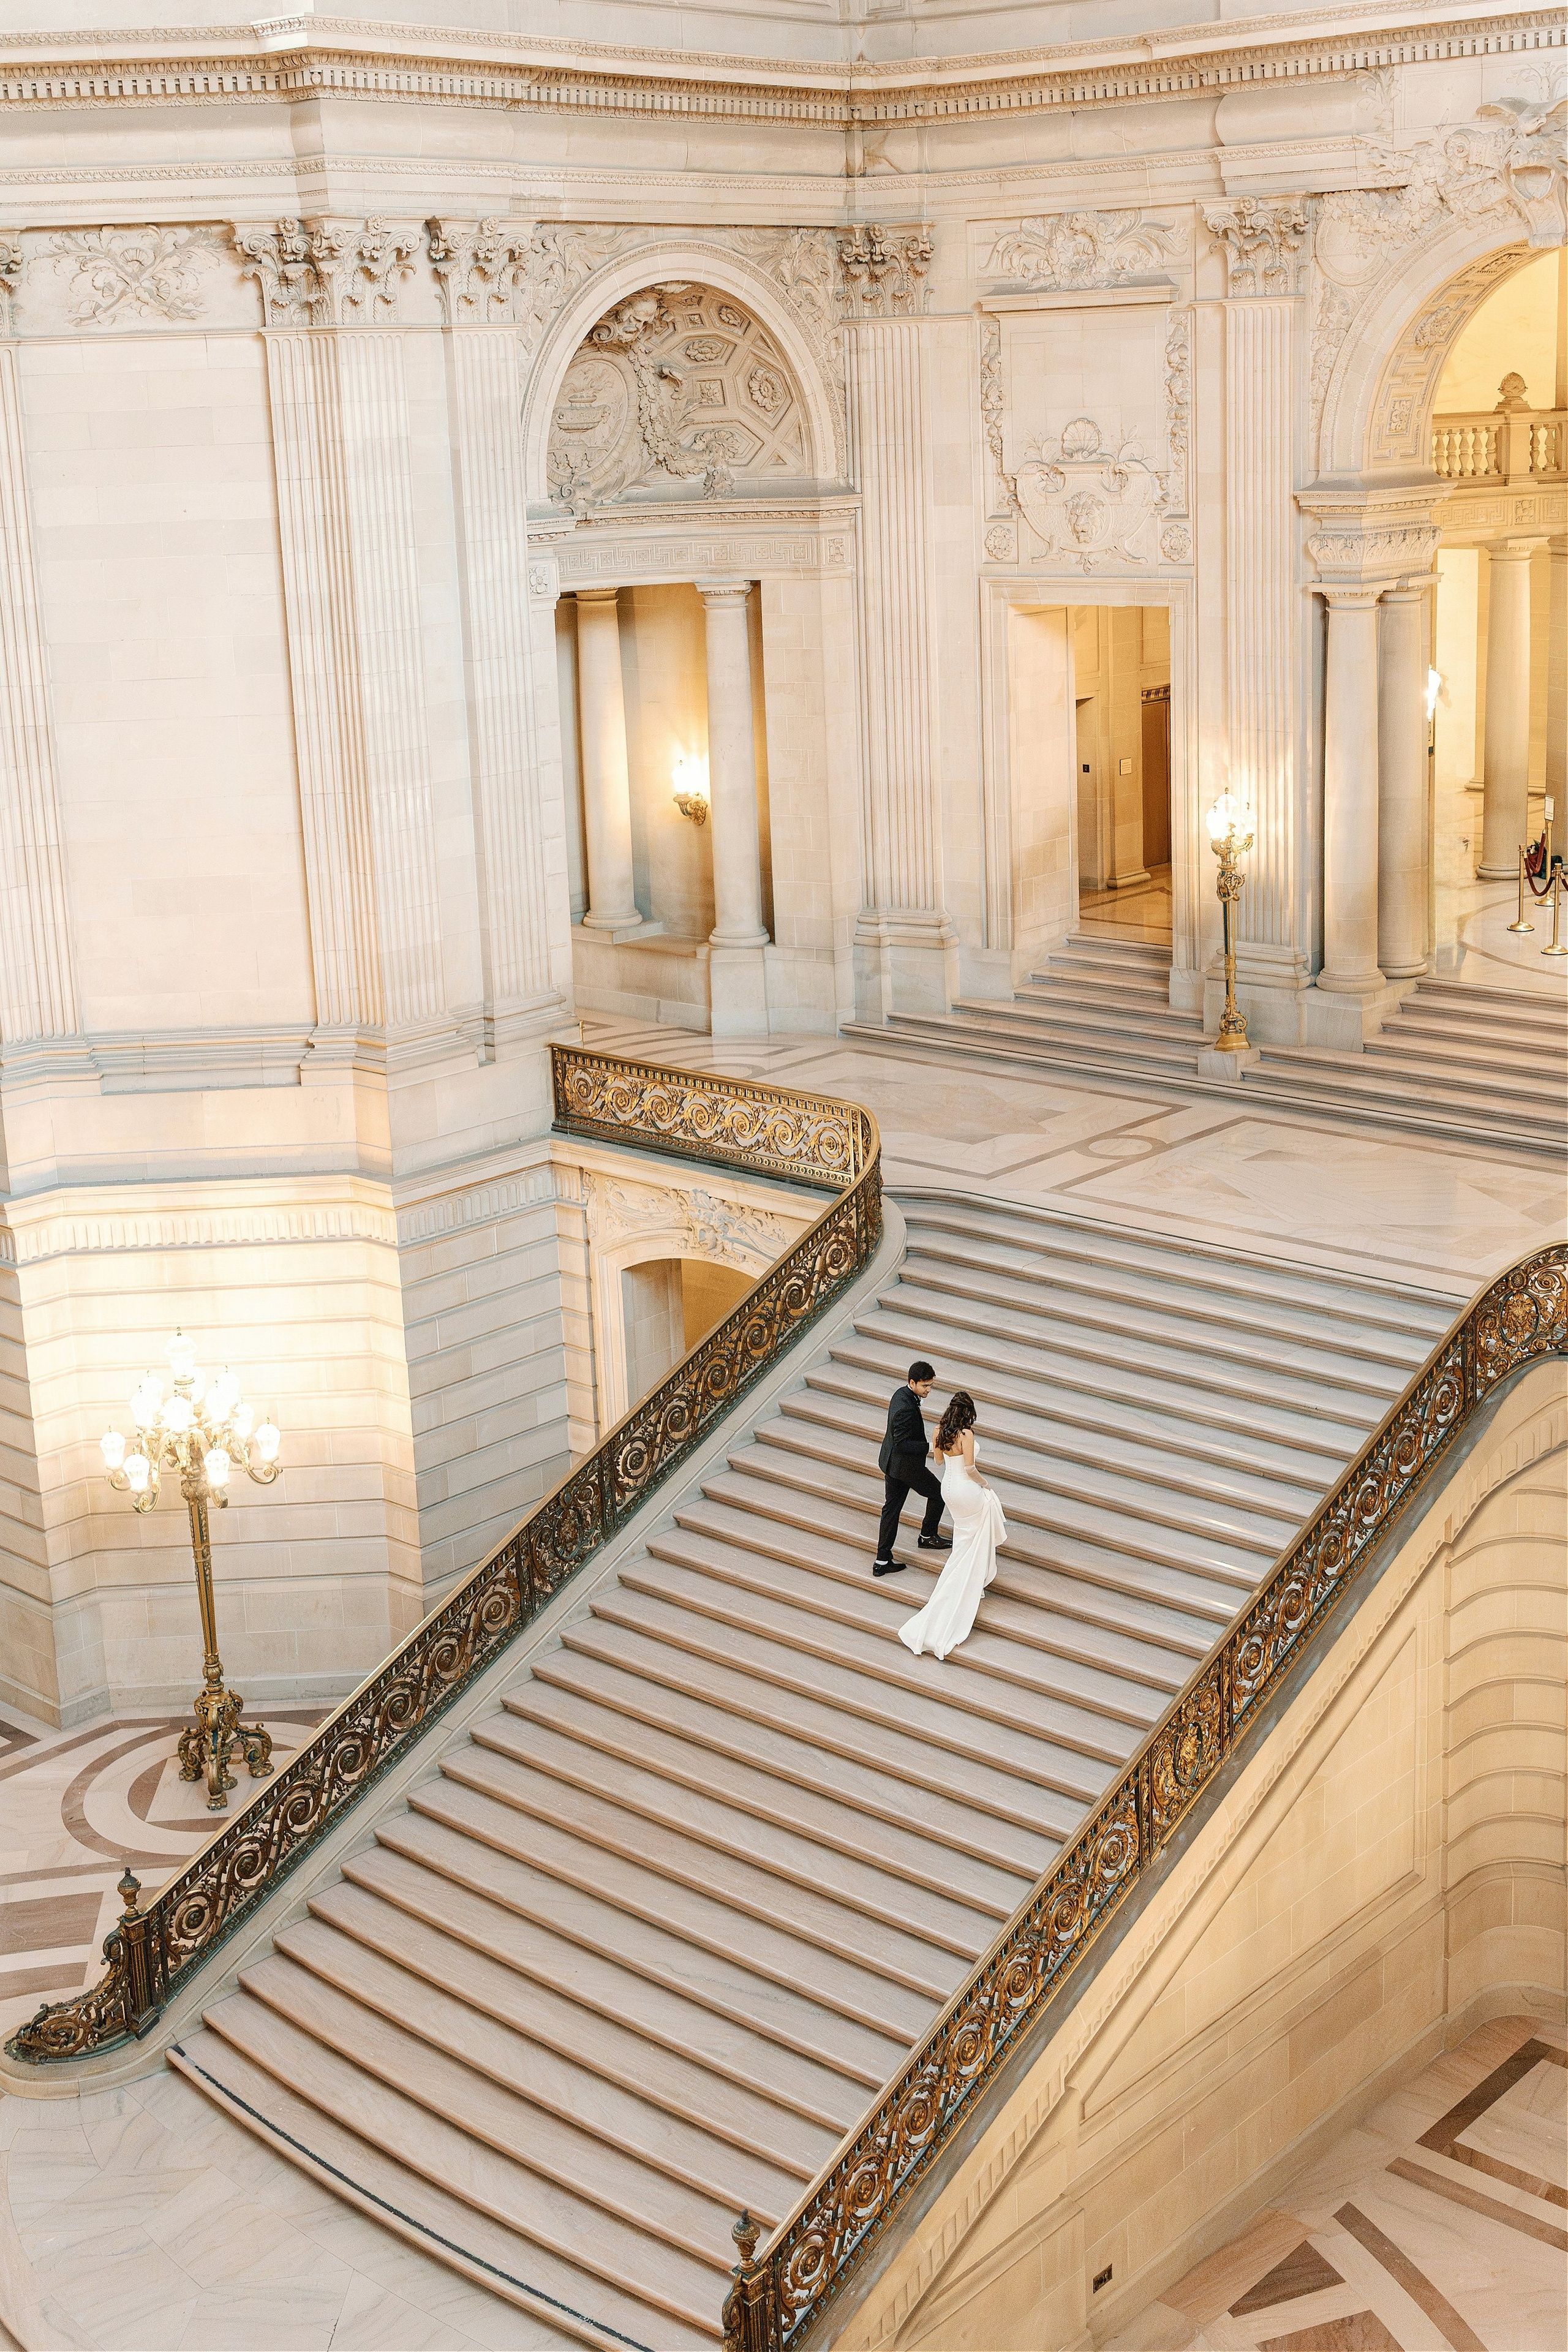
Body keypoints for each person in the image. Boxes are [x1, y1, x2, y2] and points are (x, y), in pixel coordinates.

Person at [897, 1390, 1006, 1660]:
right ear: (968, 1413)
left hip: (948, 1488)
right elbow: (970, 1469)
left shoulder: (938, 1431)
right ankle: (972, 1578)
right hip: (966, 1489)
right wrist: (986, 1484)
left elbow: (937, 1461)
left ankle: (972, 1576)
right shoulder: (966, 1435)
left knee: (965, 1537)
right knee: (985, 1515)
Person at [872, 1360, 950, 1575]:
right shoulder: (906, 1407)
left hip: (892, 1464)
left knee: (891, 1510)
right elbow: (902, 1443)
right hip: (905, 1466)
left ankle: (881, 1560)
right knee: (939, 1493)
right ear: (913, 1382)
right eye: (925, 1386)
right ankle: (927, 1537)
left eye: (931, 1386)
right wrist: (932, 1446)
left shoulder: (901, 1394)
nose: (929, 1390)